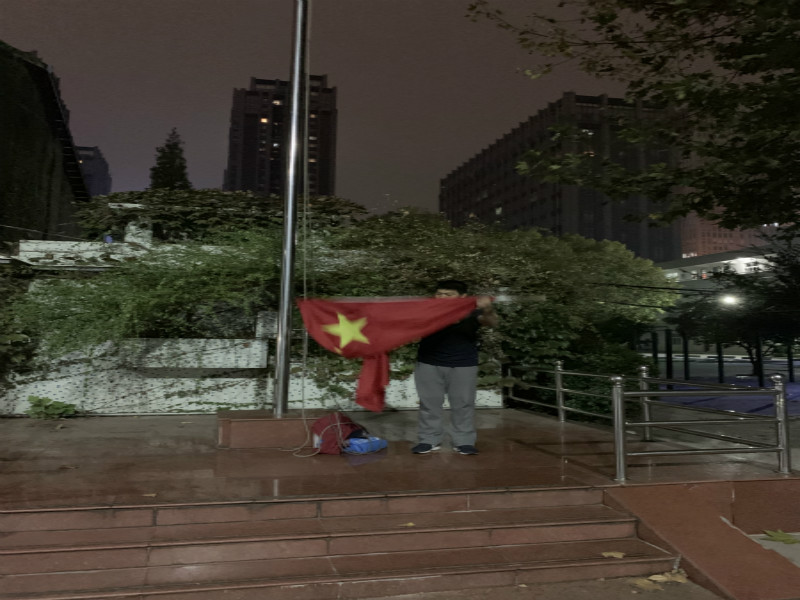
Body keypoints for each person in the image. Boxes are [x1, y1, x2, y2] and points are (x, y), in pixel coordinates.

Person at [411, 279, 498, 456]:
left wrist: (487, 308)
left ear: (462, 296)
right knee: (429, 404)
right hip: (429, 362)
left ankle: (464, 441)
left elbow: (491, 322)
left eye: (448, 294)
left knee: (463, 404)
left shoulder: (473, 310)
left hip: (463, 363)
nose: (442, 297)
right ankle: (429, 440)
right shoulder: (427, 309)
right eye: (439, 294)